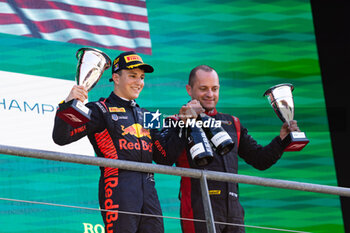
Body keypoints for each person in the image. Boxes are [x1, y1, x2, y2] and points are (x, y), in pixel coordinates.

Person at [52, 51, 186, 233]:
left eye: (142, 77)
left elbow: (164, 157)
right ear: (116, 77)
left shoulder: (147, 115)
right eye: (132, 76)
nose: (139, 82)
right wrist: (67, 104)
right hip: (117, 188)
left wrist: (180, 128)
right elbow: (62, 137)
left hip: (150, 192)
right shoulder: (100, 109)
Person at [176, 65, 300, 233]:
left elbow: (260, 160)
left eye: (214, 88)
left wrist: (282, 140)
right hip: (199, 209)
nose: (210, 94)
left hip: (233, 210)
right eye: (203, 89)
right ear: (189, 90)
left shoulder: (232, 123)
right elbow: (164, 157)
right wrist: (183, 122)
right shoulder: (179, 122)